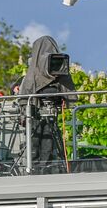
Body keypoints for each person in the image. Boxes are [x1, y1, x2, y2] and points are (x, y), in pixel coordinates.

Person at [19, 34, 74, 172]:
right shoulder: (32, 74)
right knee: (36, 141)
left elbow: (69, 92)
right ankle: (35, 168)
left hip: (51, 115)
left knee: (49, 140)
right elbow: (24, 95)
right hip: (35, 114)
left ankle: (50, 167)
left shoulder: (60, 70)